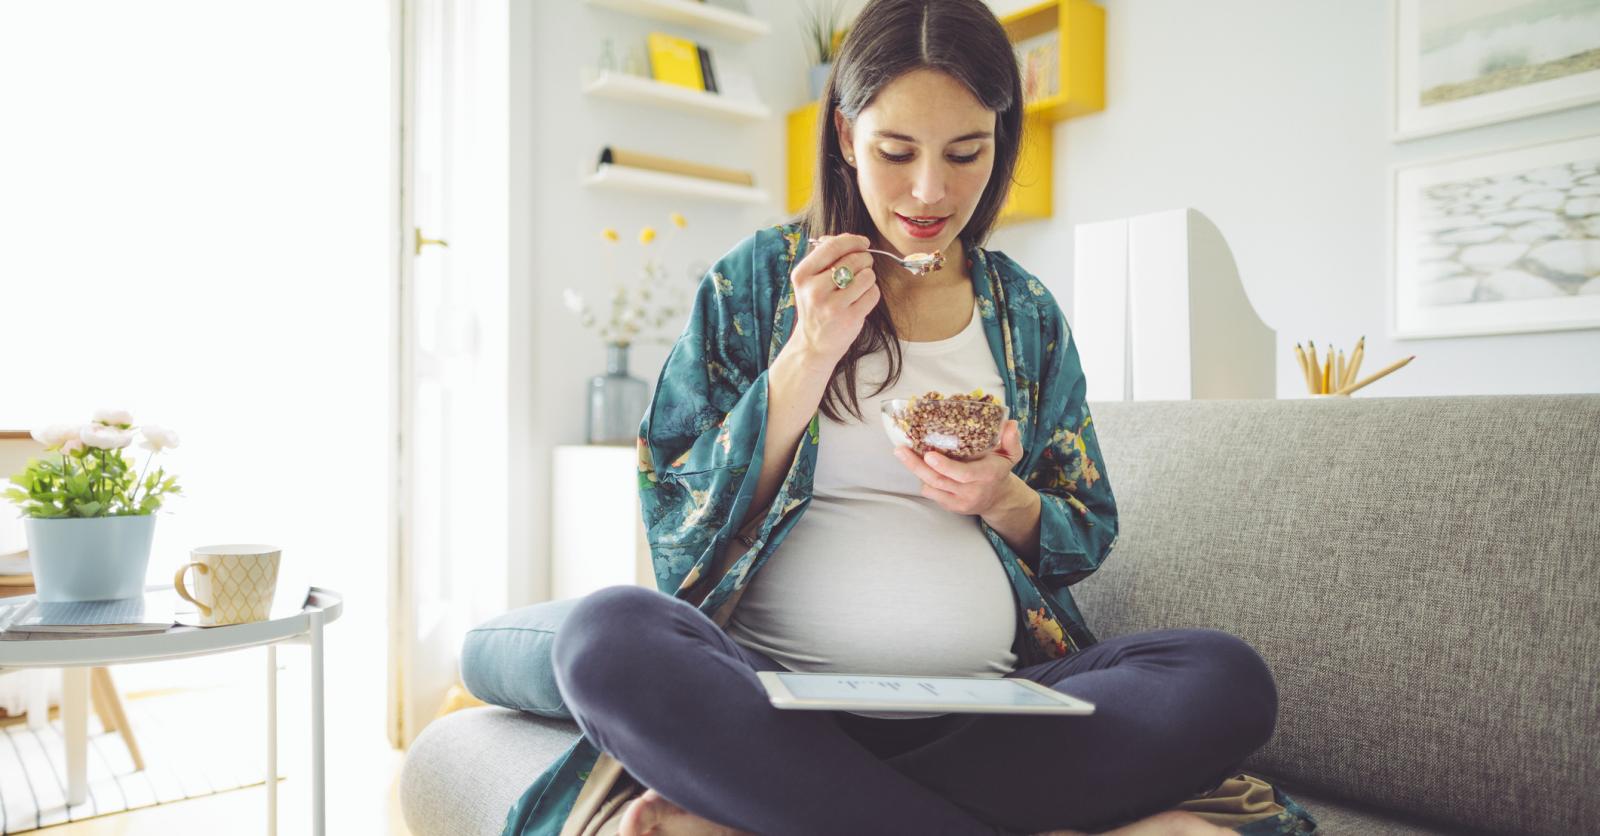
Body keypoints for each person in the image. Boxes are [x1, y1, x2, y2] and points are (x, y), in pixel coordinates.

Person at [506, 1, 1313, 834]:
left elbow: (1087, 529)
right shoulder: (755, 284)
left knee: (1223, 678)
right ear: (848, 139)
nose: (931, 190)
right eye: (897, 152)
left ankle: (796, 813)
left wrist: (1000, 498)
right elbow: (675, 528)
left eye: (967, 152)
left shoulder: (1025, 312)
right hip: (773, 711)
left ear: (1000, 142)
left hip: (996, 718)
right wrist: (809, 353)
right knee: (608, 637)